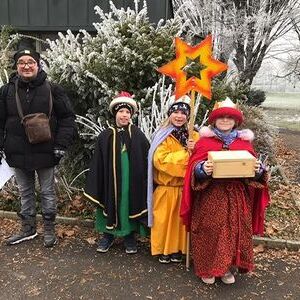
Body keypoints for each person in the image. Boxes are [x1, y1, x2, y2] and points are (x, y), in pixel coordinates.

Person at [181, 98, 270, 284]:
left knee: (234, 231)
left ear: (235, 121)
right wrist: (201, 169)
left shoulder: (244, 144)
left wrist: (258, 170)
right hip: (210, 195)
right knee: (209, 230)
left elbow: (252, 171)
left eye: (229, 118)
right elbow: (193, 168)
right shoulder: (204, 142)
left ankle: (226, 268)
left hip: (237, 197)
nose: (225, 120)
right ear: (214, 120)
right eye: (221, 117)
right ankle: (207, 268)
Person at [0, 48, 76, 247]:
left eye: (30, 62)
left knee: (47, 191)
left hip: (47, 150)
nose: (26, 66)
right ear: (16, 67)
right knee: (25, 191)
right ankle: (28, 228)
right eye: (22, 62)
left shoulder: (53, 89)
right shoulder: (7, 91)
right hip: (16, 150)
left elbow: (68, 118)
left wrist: (61, 144)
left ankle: (49, 228)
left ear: (38, 64)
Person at [84, 92, 149, 254]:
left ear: (131, 115)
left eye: (127, 112)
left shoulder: (138, 134)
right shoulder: (105, 136)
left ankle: (129, 236)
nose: (124, 115)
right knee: (110, 200)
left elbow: (146, 156)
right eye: (121, 111)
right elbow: (98, 161)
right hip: (110, 179)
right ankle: (108, 235)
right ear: (115, 114)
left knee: (128, 202)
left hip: (130, 178)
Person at [147, 95, 199, 264]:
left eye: (183, 112)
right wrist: (186, 154)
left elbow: (202, 159)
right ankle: (164, 249)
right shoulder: (163, 135)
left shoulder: (195, 136)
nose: (179, 116)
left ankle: (178, 250)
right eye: (175, 111)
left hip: (185, 189)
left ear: (188, 116)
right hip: (166, 188)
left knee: (180, 223)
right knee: (163, 220)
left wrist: (195, 149)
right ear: (169, 114)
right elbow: (160, 160)